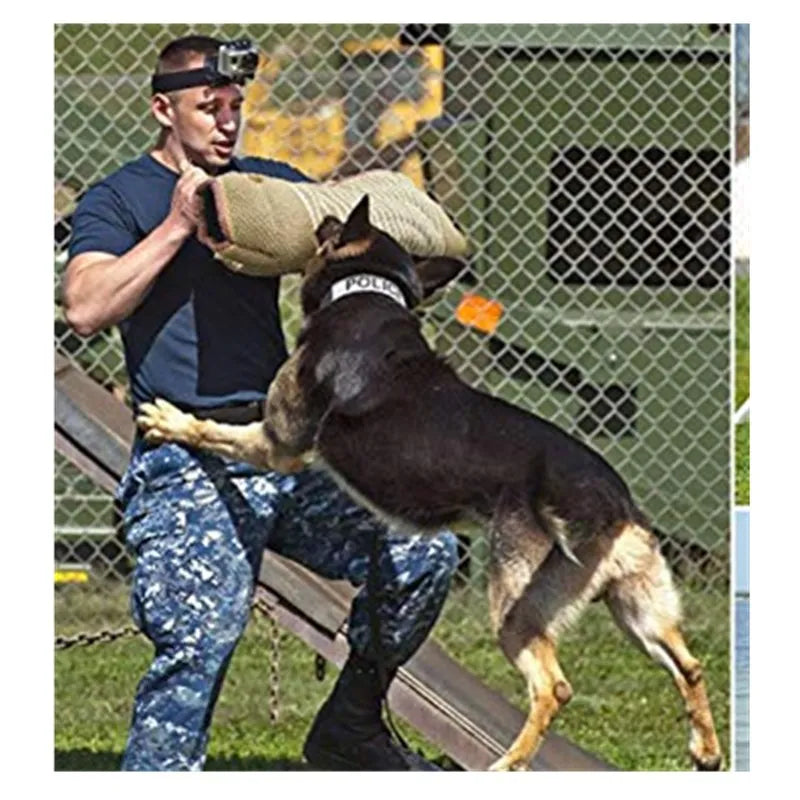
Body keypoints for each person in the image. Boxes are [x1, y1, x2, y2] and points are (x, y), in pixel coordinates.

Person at [62, 34, 459, 772]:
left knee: (423, 548)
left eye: (234, 107)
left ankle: (351, 727)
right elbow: (85, 306)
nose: (225, 122)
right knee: (203, 631)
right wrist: (179, 225)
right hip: (186, 457)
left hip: (280, 447)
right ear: (162, 109)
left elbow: (361, 242)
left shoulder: (264, 192)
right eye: (206, 107)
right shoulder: (122, 198)